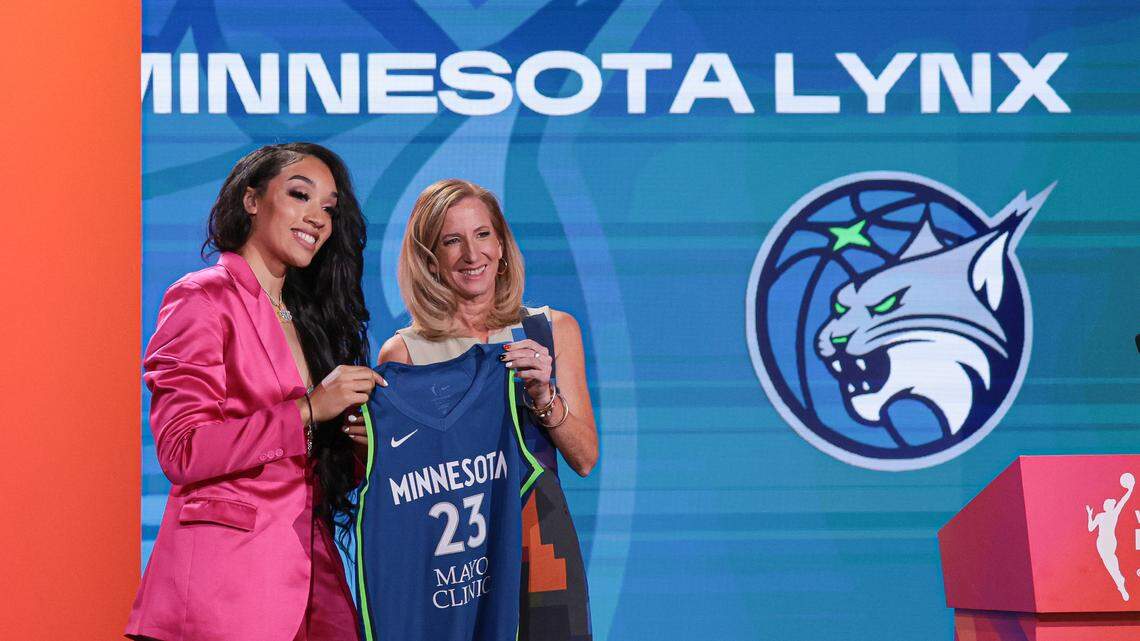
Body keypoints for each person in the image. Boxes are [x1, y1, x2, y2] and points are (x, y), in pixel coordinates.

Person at [126, 143, 383, 641]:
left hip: (312, 578)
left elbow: (302, 466)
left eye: (329, 209)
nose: (318, 219)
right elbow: (184, 451)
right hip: (225, 590)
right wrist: (309, 409)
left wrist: (356, 451)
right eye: (300, 195)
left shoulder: (309, 320)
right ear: (251, 200)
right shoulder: (202, 297)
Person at [343, 178, 597, 640]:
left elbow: (584, 458)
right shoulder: (404, 354)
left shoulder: (551, 330)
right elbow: (401, 489)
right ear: (430, 259)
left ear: (501, 244)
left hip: (539, 552)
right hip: (455, 569)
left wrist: (544, 397)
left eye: (482, 235)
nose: (471, 254)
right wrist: (371, 449)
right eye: (451, 240)